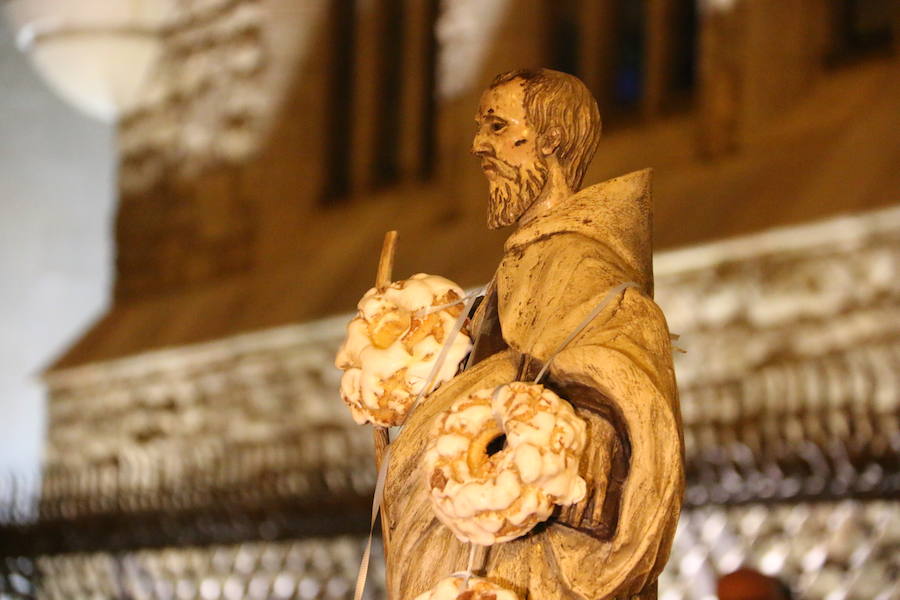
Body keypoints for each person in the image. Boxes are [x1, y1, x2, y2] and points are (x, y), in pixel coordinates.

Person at [383, 68, 684, 600]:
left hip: (529, 560)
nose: (479, 146)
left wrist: (507, 397)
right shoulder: (522, 261)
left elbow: (626, 376)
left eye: (497, 127)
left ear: (551, 139)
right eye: (481, 128)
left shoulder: (580, 262)